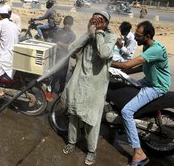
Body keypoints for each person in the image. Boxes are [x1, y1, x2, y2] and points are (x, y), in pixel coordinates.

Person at [61, 11, 117, 165]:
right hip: (80, 82)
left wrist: (98, 33)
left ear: (105, 24)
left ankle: (91, 150)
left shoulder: (110, 37)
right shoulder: (88, 36)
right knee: (73, 113)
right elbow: (71, 48)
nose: (95, 22)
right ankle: (72, 141)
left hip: (95, 87)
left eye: (100, 21)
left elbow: (104, 53)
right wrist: (88, 33)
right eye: (94, 19)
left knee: (92, 120)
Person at [112, 21, 171, 166]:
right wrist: (124, 72)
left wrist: (109, 62)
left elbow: (127, 63)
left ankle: (139, 153)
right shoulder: (147, 45)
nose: (135, 38)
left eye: (138, 36)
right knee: (123, 83)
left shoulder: (155, 49)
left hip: (156, 86)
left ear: (147, 36)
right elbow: (141, 67)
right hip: (148, 80)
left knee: (127, 112)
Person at [51, 16, 76, 100]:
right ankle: (53, 90)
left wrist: (61, 44)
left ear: (71, 25)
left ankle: (60, 91)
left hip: (65, 58)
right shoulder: (58, 31)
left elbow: (70, 47)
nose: (67, 26)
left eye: (69, 24)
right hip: (56, 56)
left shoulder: (72, 35)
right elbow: (54, 42)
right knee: (54, 73)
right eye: (65, 24)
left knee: (62, 75)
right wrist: (61, 45)